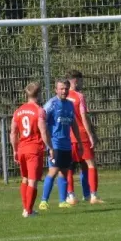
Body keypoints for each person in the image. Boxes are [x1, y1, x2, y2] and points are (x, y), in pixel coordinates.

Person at [38, 79, 82, 210]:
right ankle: (43, 201)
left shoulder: (70, 105)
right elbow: (42, 122)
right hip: (55, 143)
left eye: (66, 88)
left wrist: (79, 141)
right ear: (56, 90)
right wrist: (48, 144)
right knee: (53, 170)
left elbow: (73, 124)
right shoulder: (51, 104)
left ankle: (62, 201)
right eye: (61, 89)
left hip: (66, 144)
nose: (64, 91)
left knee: (64, 171)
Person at [9, 83, 52, 217]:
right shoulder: (39, 111)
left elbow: (13, 133)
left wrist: (15, 150)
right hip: (34, 149)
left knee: (25, 179)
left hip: (22, 148)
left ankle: (25, 208)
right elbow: (43, 131)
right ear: (39, 94)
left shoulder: (18, 111)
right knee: (33, 180)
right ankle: (28, 211)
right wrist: (50, 147)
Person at [65, 70, 104, 205]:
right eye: (81, 81)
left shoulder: (61, 97)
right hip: (81, 135)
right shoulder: (79, 96)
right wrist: (91, 134)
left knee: (69, 166)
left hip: (67, 137)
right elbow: (83, 117)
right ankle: (93, 195)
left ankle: (70, 196)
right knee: (90, 164)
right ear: (75, 81)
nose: (82, 83)